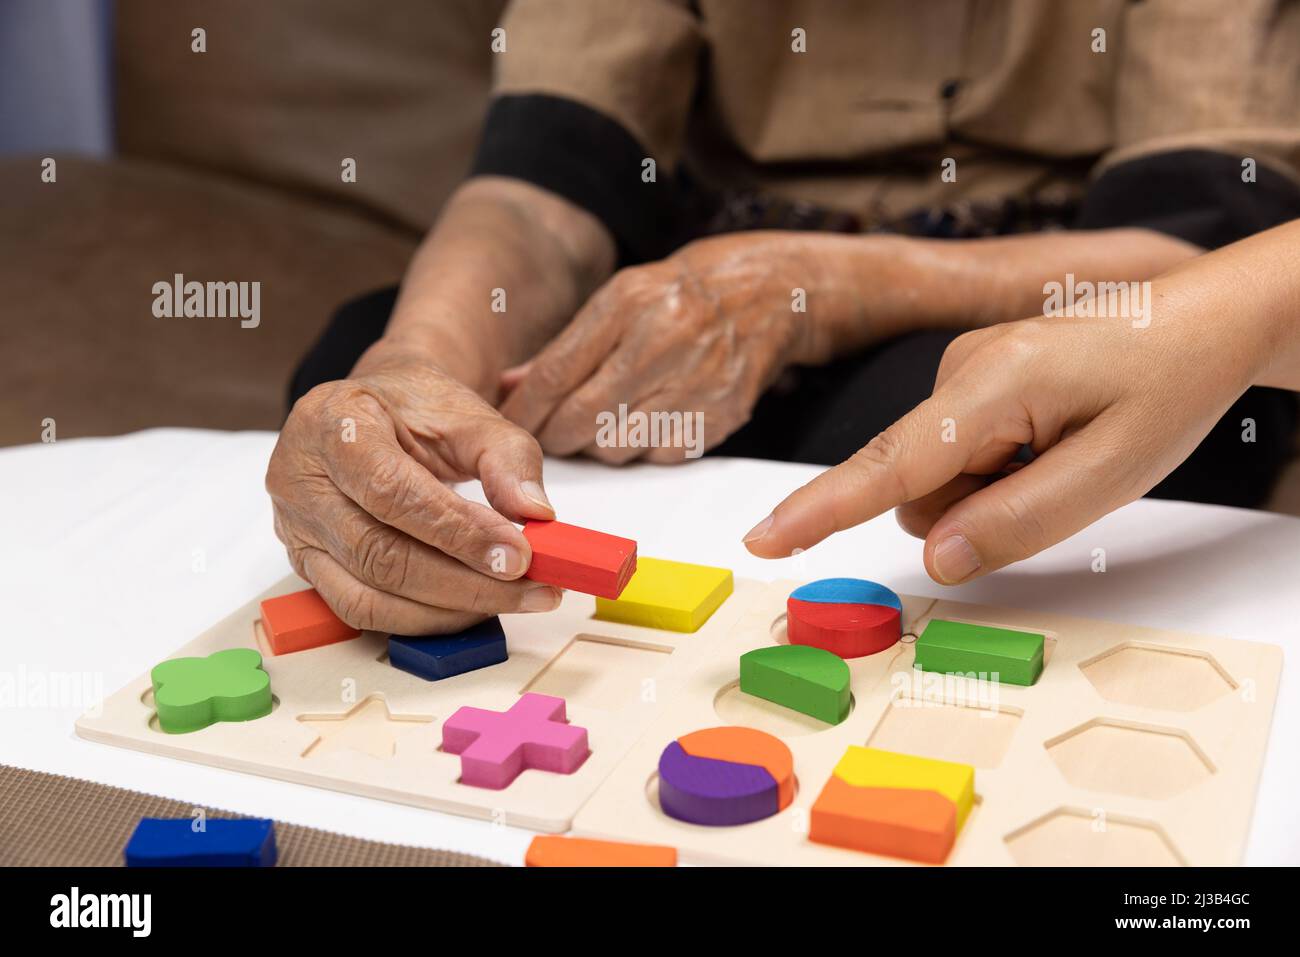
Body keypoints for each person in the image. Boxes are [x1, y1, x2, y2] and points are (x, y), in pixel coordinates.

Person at [268, 1, 1300, 633]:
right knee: (366, 353)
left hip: (1012, 289)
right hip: (687, 270)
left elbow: (1198, 254)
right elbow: (539, 191)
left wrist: (814, 288)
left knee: (956, 428)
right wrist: (417, 362)